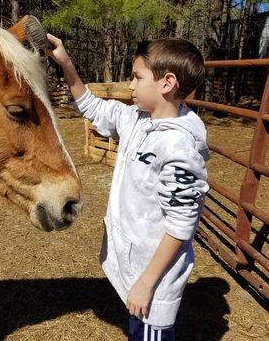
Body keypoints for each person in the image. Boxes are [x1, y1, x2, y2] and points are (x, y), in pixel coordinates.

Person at [46, 34, 210, 341]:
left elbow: (181, 224)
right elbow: (92, 106)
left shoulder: (179, 147)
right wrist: (65, 63)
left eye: (136, 77)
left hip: (154, 279)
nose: (130, 85)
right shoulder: (136, 119)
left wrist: (147, 283)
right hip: (137, 268)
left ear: (167, 83)